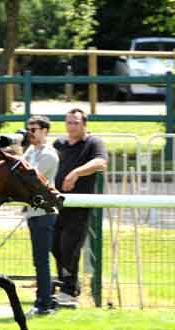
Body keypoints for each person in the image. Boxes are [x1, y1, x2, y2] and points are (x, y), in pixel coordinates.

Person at [51, 108, 108, 308]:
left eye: (75, 122)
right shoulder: (59, 144)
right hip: (56, 204)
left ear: (84, 124)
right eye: (68, 122)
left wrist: (76, 173)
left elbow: (101, 162)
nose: (71, 126)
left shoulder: (93, 143)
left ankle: (70, 291)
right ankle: (62, 284)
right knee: (55, 245)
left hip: (79, 205)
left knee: (69, 248)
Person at [22, 115, 59, 317]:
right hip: (33, 213)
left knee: (42, 260)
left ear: (45, 131)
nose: (30, 132)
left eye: (34, 129)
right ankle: (44, 301)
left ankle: (44, 304)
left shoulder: (49, 155)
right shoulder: (31, 151)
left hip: (44, 213)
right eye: (29, 129)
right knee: (39, 260)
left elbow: (29, 178)